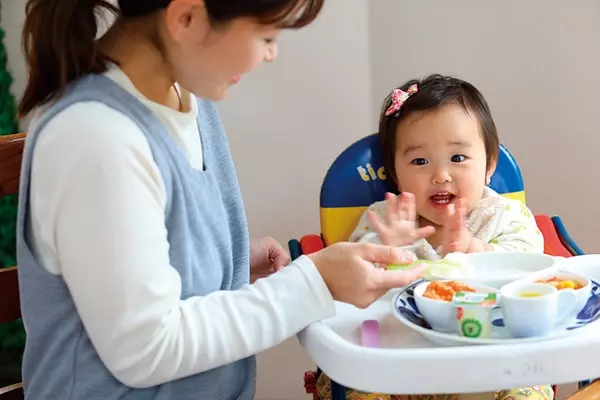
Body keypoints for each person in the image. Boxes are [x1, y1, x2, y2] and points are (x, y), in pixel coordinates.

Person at [15, 1, 426, 399]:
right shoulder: (95, 137)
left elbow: (128, 258)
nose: (271, 53)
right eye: (266, 34)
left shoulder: (186, 95)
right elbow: (146, 349)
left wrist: (230, 259)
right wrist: (315, 281)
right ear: (187, 16)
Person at [315, 74, 553, 400]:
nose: (440, 175)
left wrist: (476, 250)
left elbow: (529, 266)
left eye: (458, 158)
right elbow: (351, 277)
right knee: (355, 379)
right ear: (395, 173)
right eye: (420, 161)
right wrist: (388, 250)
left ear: (489, 165)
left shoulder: (503, 214)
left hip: (491, 349)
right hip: (401, 358)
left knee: (531, 376)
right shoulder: (386, 218)